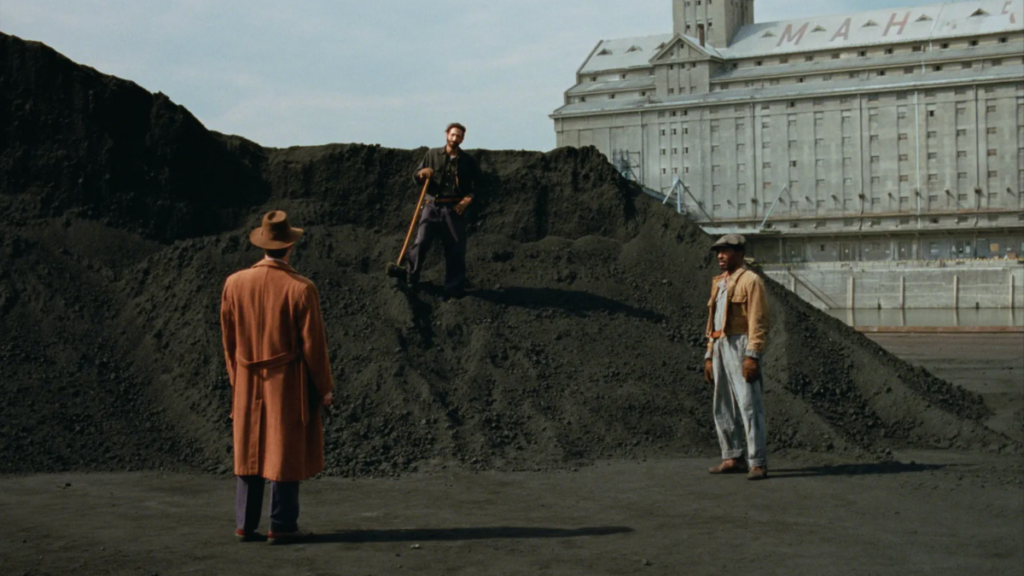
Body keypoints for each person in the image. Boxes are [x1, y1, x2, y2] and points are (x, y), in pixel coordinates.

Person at [220, 210, 335, 543]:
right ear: (289, 246)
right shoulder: (301, 288)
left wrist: (237, 377)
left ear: (263, 245)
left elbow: (228, 341)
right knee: (283, 448)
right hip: (286, 381)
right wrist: (324, 388)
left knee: (249, 448)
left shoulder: (234, 283)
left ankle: (245, 524)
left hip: (246, 378)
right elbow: (314, 346)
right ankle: (282, 526)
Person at [703, 234, 770, 481]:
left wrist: (752, 355)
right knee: (722, 404)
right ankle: (732, 456)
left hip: (740, 344)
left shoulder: (751, 281)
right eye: (718, 251)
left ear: (740, 253)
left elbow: (758, 320)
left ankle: (758, 462)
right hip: (720, 344)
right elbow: (712, 322)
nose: (720, 255)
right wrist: (709, 355)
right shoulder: (719, 283)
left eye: (726, 251)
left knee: (749, 405)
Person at [405, 122, 481, 298]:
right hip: (432, 205)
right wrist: (422, 173)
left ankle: (453, 289)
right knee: (421, 241)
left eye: (459, 136)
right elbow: (415, 176)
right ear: (447, 134)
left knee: (455, 247)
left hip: (454, 208)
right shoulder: (432, 155)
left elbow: (478, 185)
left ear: (463, 138)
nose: (455, 138)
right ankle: (411, 278)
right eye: (453, 135)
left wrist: (467, 200)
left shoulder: (468, 161)